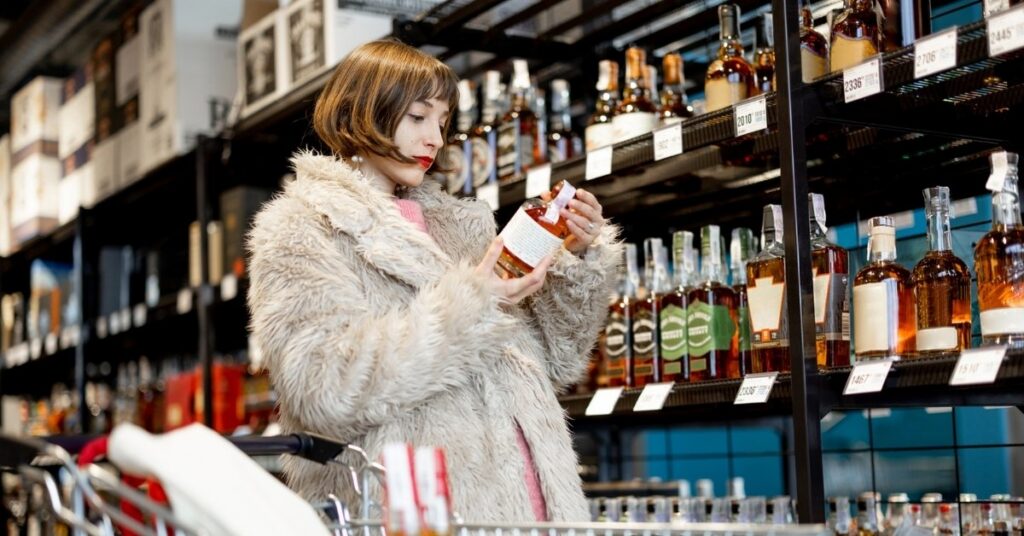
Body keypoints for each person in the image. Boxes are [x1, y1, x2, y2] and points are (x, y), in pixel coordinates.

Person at [246, 39, 621, 523]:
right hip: (414, 513)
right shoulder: (303, 228)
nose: (435, 140)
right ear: (360, 112)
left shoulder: (465, 229)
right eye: (418, 117)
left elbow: (559, 362)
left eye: (442, 122)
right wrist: (470, 303)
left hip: (535, 507)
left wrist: (576, 256)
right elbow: (323, 390)